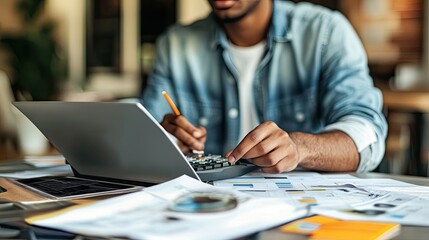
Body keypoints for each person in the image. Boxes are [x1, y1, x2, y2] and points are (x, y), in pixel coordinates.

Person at [142, 0, 387, 173]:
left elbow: (367, 135)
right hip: (207, 209)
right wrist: (166, 140)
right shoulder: (175, 45)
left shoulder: (325, 33)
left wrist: (300, 148)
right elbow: (141, 131)